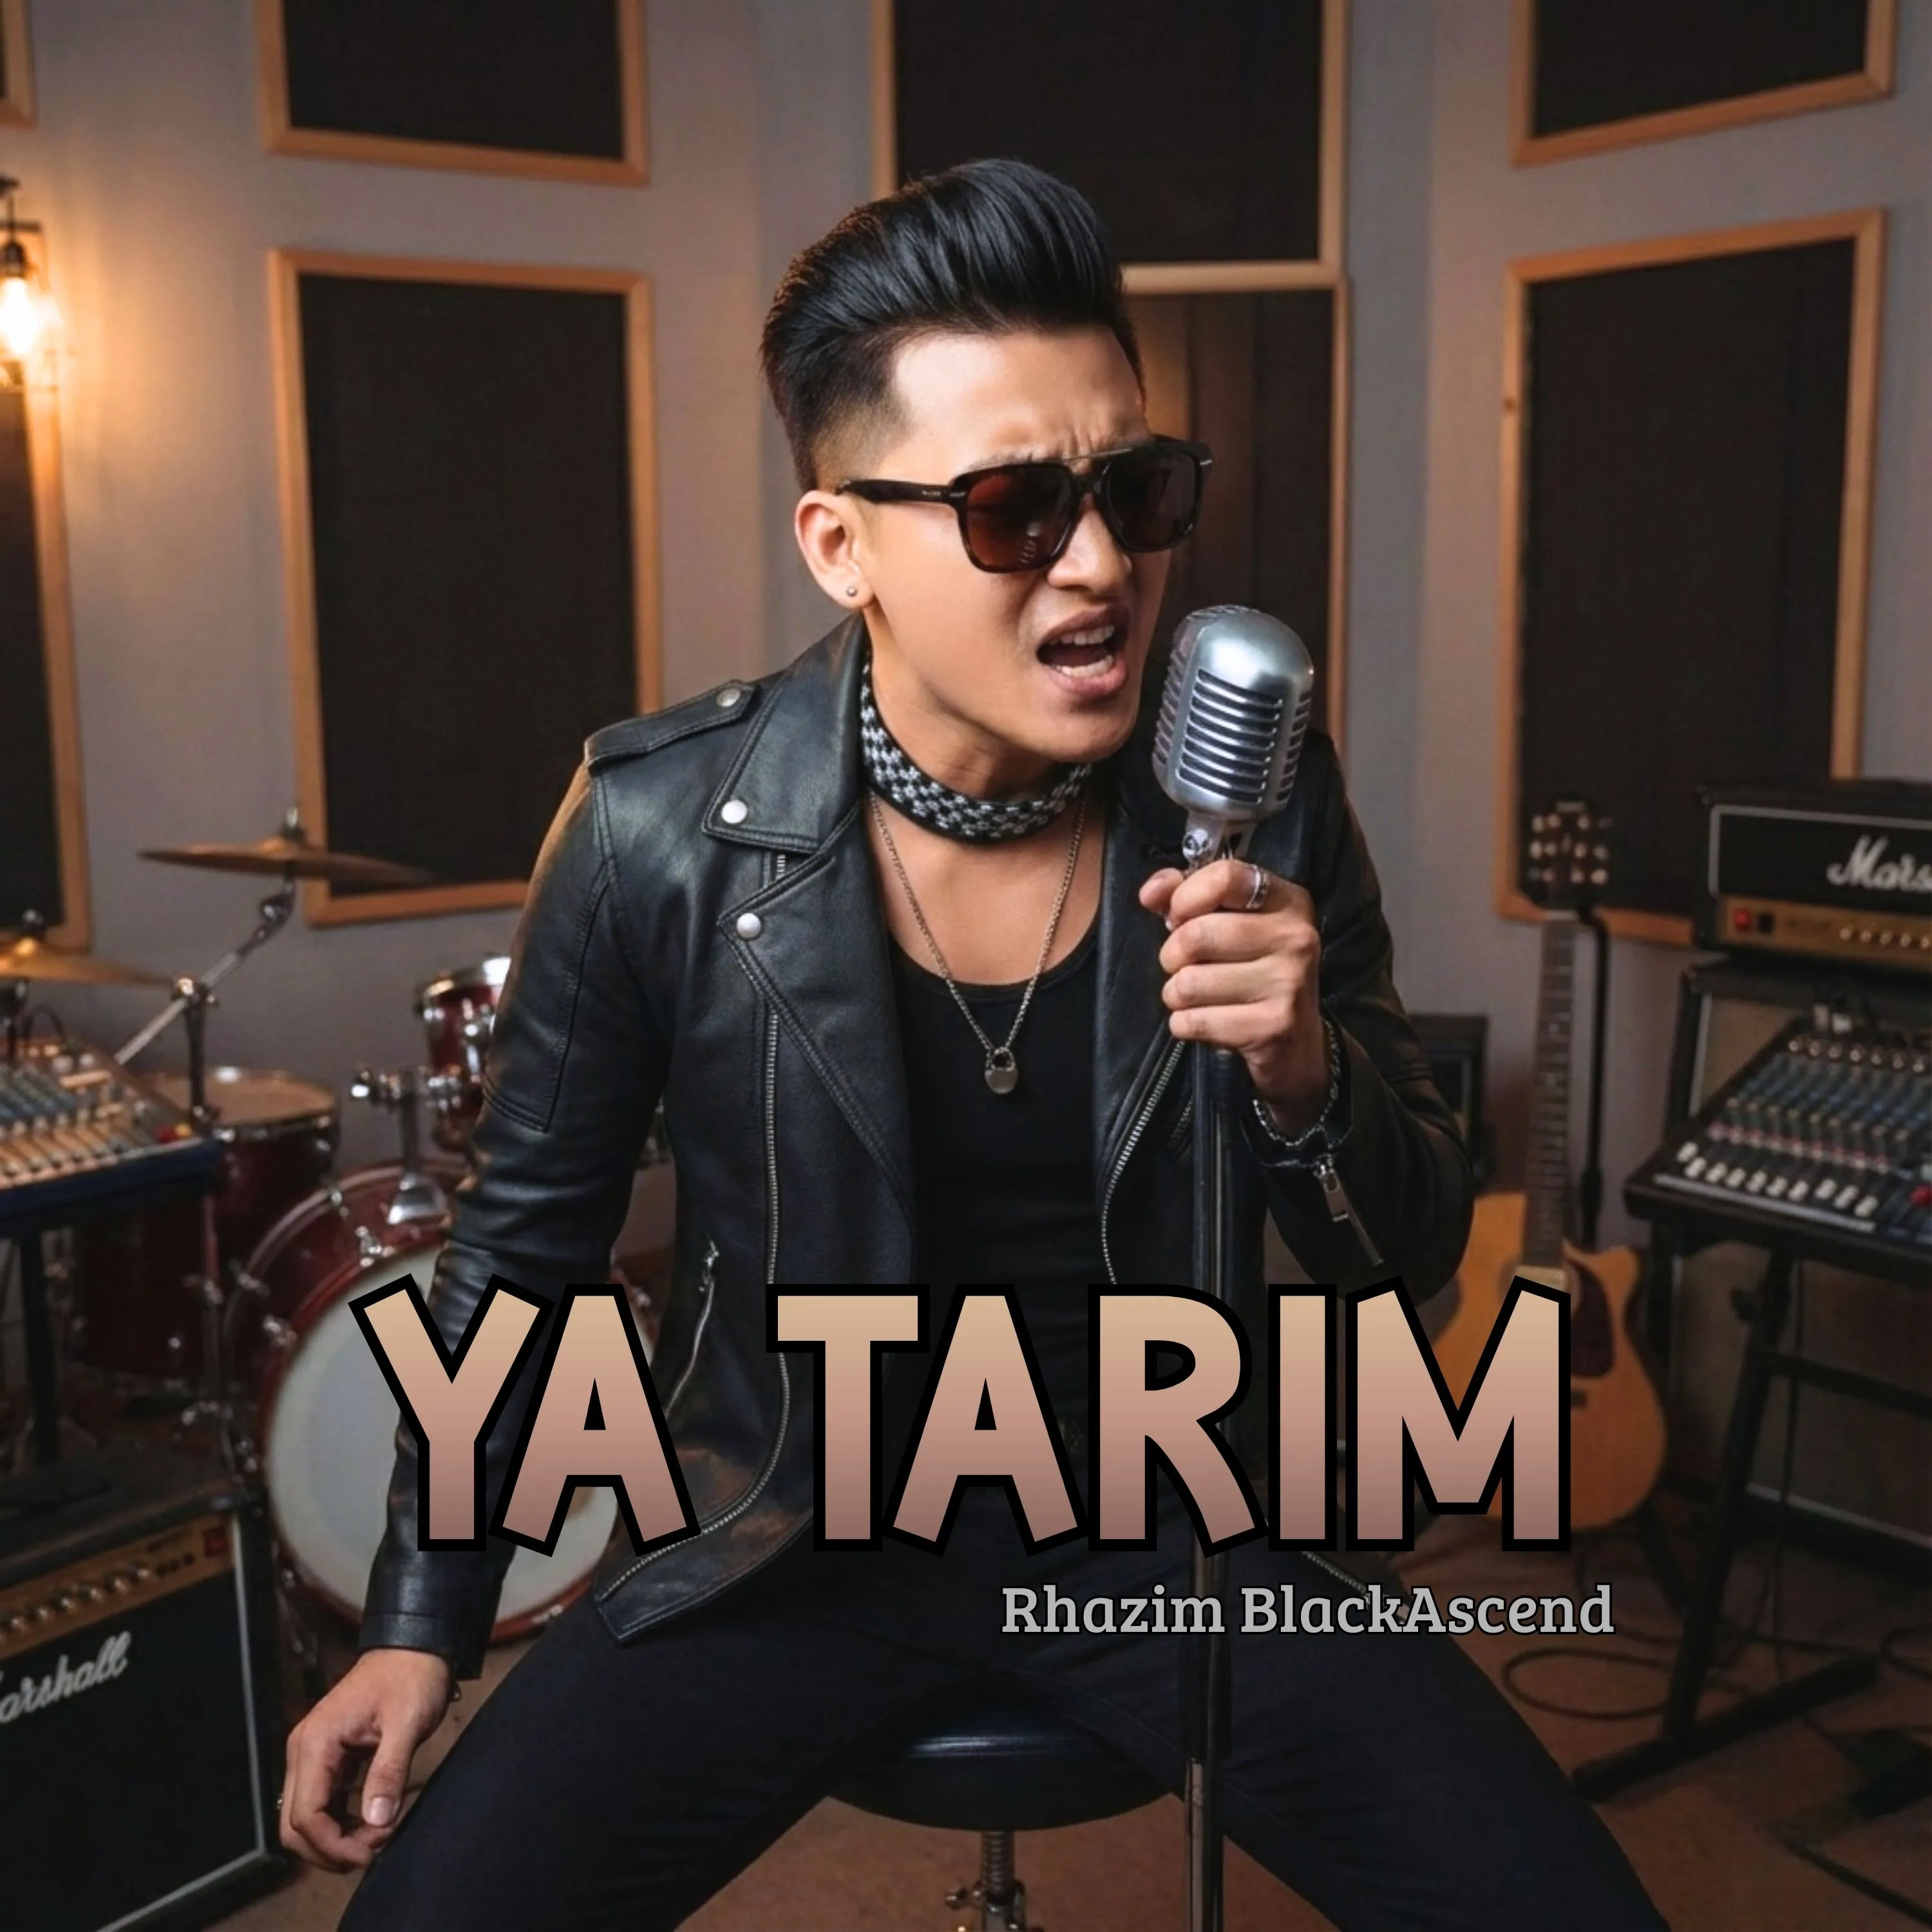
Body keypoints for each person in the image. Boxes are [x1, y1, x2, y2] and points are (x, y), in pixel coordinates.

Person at [282, 158, 1665, 1931]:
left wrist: (1304, 1073)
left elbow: (1404, 1270)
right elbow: (524, 1259)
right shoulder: (653, 828)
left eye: (1135, 491)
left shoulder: (1258, 798)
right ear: (841, 544)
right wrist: (419, 1624)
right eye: (1014, 509)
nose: (1102, 565)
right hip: (792, 1532)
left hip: (1172, 1520)